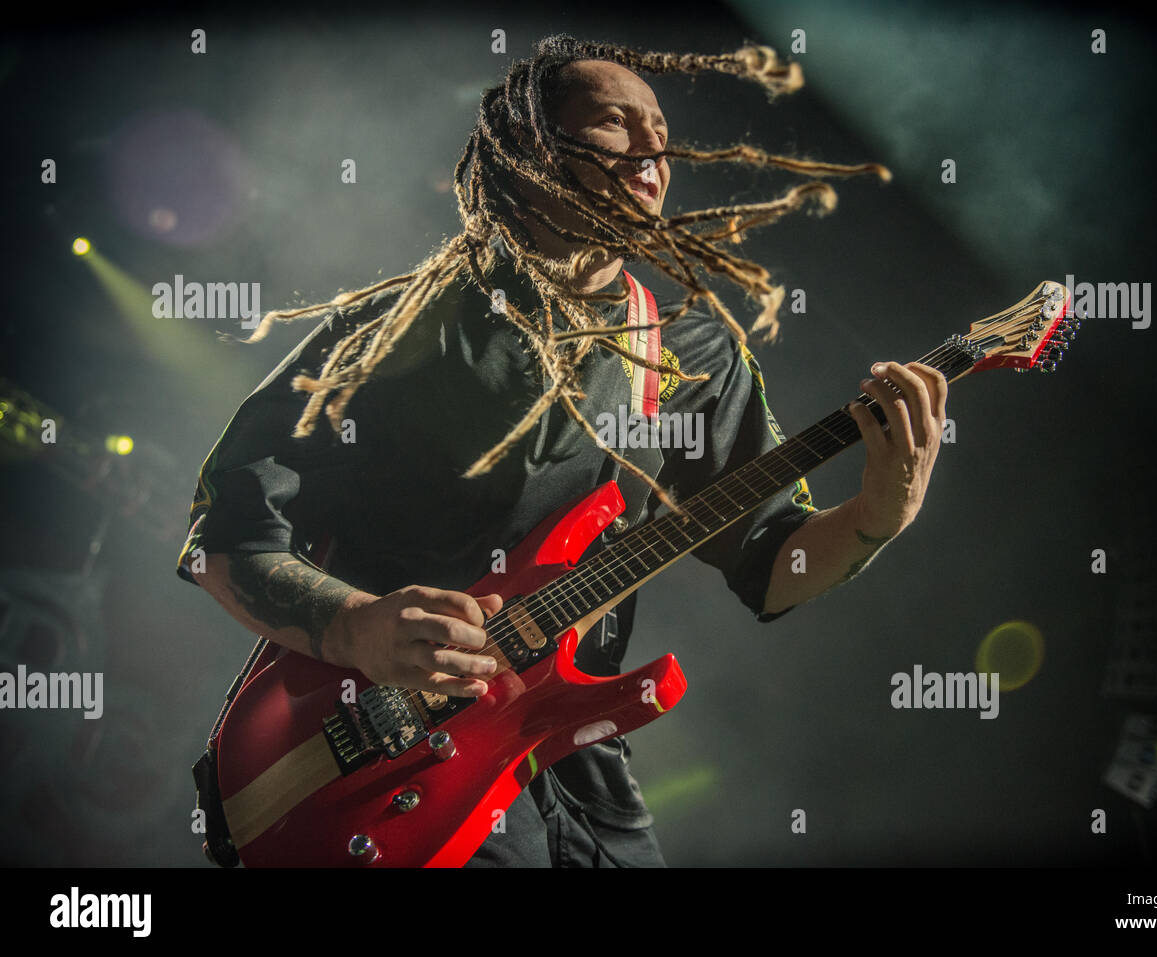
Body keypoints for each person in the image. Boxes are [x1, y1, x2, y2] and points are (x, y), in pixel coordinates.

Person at [177, 35, 947, 867]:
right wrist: (352, 625)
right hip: (377, 754)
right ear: (526, 152)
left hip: (572, 757)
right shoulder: (400, 328)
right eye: (618, 124)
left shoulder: (694, 351)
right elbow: (227, 534)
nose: (655, 150)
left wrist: (879, 513)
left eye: (663, 132)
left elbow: (773, 565)